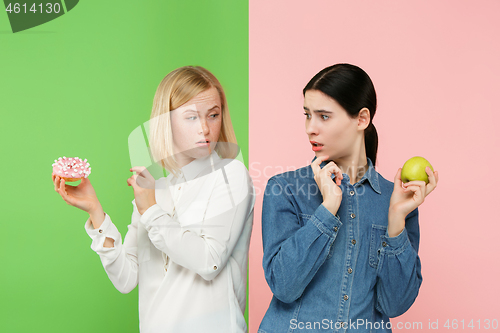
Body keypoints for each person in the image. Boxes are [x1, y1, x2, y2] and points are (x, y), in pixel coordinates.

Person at [52, 66, 255, 333]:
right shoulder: (155, 189)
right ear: (166, 121)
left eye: (213, 115)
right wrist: (96, 212)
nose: (205, 128)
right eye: (191, 117)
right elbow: (126, 278)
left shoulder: (231, 175)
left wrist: (149, 210)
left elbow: (209, 261)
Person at [258, 63, 439, 333]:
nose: (311, 128)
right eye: (308, 115)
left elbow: (394, 305)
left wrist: (396, 221)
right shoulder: (285, 189)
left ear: (362, 119)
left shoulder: (396, 201)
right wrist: (327, 209)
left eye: (324, 116)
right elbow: (284, 286)